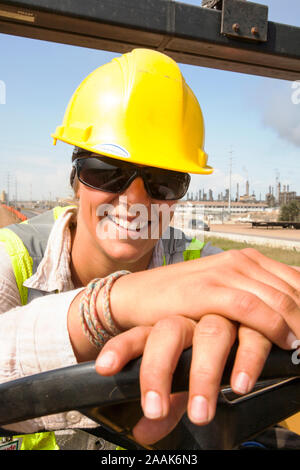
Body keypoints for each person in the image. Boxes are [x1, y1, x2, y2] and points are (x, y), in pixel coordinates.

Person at [0, 48, 300, 450]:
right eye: (105, 173)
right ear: (76, 179)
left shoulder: (202, 265)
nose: (133, 200)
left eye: (162, 182)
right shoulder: (13, 258)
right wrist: (110, 304)